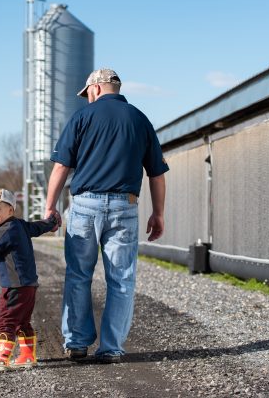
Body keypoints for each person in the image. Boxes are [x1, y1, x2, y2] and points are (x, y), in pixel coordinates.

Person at [45, 68, 169, 363]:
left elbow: (61, 166)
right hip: (125, 206)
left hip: (85, 206)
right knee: (121, 279)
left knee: (78, 275)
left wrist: (50, 207)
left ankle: (77, 342)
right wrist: (158, 213)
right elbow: (157, 174)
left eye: (87, 93)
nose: (87, 98)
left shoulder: (82, 117)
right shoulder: (140, 119)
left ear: (96, 88)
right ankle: (111, 347)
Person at [0, 188, 57, 370]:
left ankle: (1, 359)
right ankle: (27, 356)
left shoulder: (6, 230)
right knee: (22, 321)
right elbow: (38, 227)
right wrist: (52, 222)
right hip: (29, 284)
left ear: (10, 210)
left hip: (15, 285)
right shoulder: (20, 225)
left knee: (6, 321)